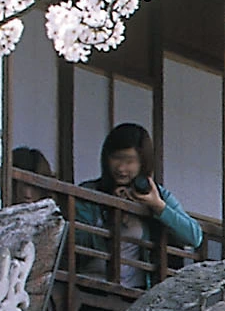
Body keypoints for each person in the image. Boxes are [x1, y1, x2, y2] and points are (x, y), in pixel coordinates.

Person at [82, 121, 203, 292]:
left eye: (130, 161)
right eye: (116, 159)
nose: (122, 168)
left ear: (142, 163)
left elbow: (194, 236)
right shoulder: (89, 192)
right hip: (89, 284)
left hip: (136, 292)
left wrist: (158, 206)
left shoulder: (158, 195)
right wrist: (113, 212)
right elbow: (76, 238)